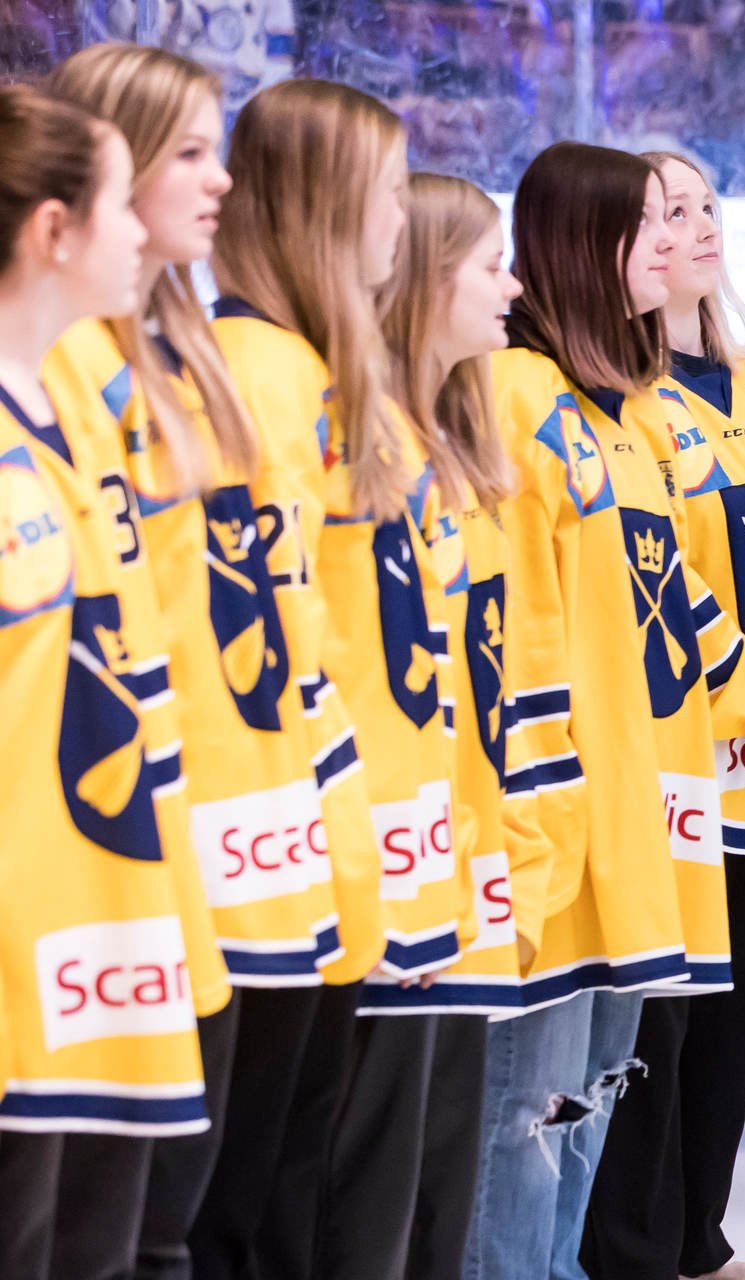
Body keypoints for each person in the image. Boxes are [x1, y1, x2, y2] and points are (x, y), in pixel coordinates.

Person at [42, 42, 326, 1280]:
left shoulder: (183, 350)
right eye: (191, 153)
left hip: (220, 818)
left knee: (192, 1187)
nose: (220, 182)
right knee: (122, 1207)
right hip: (131, 828)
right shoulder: (64, 363)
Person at [582, 151, 745, 1280]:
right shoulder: (620, 394)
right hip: (681, 747)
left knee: (737, 1005)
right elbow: (655, 587)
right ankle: (634, 1245)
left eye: (704, 204)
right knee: (666, 1013)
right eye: (666, 211)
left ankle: (702, 1237)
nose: (694, 226)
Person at [0, 80, 217, 1280]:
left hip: (96, 903)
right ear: (54, 230)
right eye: (117, 201)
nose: (141, 226)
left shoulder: (59, 420)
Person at [467, 142, 696, 1280]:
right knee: (528, 1102)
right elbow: (512, 638)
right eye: (645, 218)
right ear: (577, 240)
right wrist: (534, 821)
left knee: (591, 1090)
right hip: (560, 818)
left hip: (632, 815)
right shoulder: (517, 397)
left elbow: (667, 607)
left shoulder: (624, 411)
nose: (669, 238)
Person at [199, 77, 414, 1279]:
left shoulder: (308, 370)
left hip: (325, 825)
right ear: (326, 206)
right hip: (274, 837)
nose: (398, 221)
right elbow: (267, 652)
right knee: (253, 1177)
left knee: (292, 1163)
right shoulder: (258, 372)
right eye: (386, 191)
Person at [316, 171, 523, 1280]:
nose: (514, 287)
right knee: (381, 1150)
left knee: (438, 1139)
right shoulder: (366, 445)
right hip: (394, 847)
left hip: (459, 839)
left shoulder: (456, 447)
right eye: (491, 265)